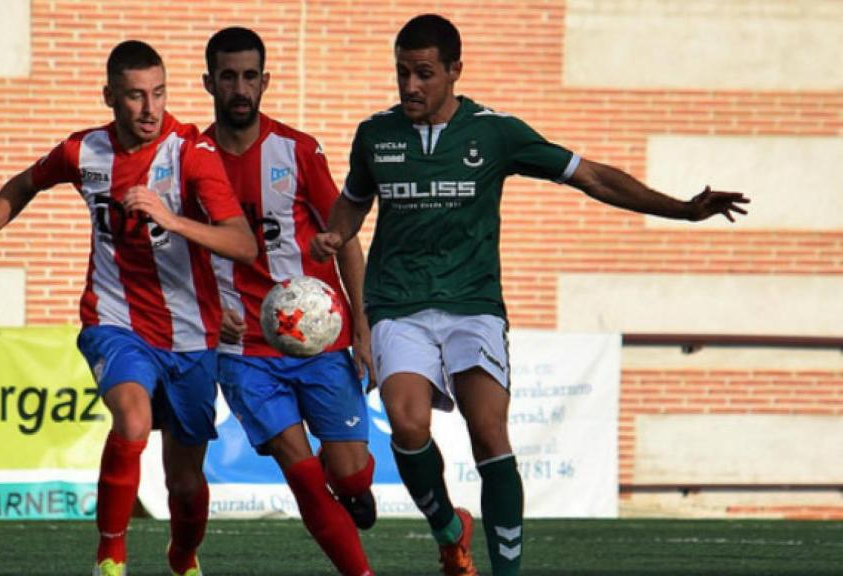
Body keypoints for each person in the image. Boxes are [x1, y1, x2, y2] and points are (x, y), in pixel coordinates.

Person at [311, 14, 750, 576]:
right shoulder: (376, 134)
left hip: (473, 305)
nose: (410, 85)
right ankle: (449, 530)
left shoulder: (495, 133)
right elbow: (353, 200)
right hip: (399, 304)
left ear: (454, 71)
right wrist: (336, 232)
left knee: (489, 431)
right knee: (407, 422)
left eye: (424, 73)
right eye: (402, 72)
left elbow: (591, 176)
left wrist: (682, 209)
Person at [0, 40, 257, 576]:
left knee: (185, 481)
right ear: (109, 97)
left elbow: (243, 243)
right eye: (136, 96)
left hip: (191, 334)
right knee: (133, 420)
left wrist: (172, 220)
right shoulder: (83, 152)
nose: (150, 108)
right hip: (114, 320)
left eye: (159, 93)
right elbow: (22, 185)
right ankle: (110, 557)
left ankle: (183, 556)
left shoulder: (192, 153)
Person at [201, 27, 377, 576]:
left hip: (321, 338)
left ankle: (348, 482)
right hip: (245, 350)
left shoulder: (298, 151)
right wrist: (210, 318)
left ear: (265, 81)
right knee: (303, 478)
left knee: (349, 475)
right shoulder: (191, 160)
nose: (240, 89)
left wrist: (364, 327)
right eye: (228, 77)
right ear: (209, 82)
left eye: (249, 77)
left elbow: (345, 237)